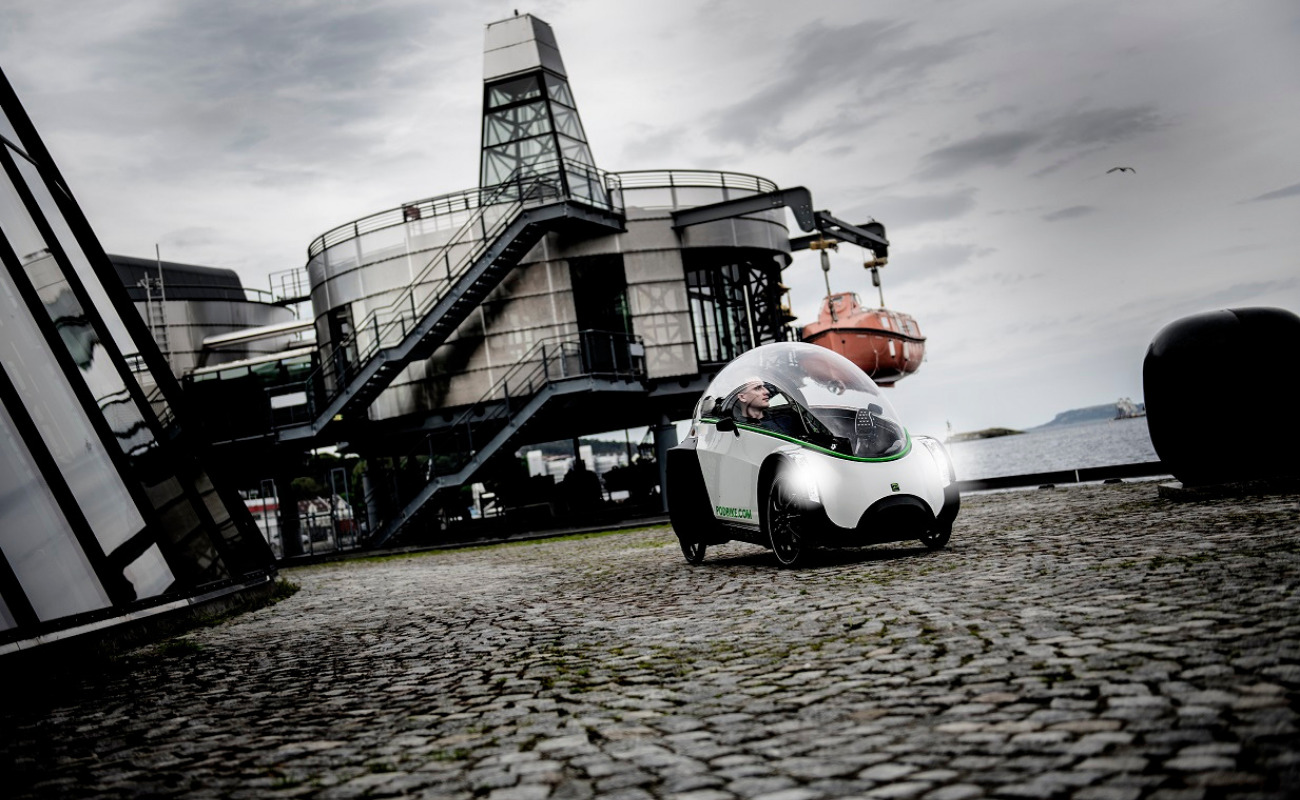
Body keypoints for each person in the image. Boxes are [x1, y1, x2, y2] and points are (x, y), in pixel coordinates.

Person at [731, 379, 801, 436]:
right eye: (757, 388)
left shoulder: (786, 420)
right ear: (742, 397)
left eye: (764, 387)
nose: (766, 391)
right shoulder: (737, 428)